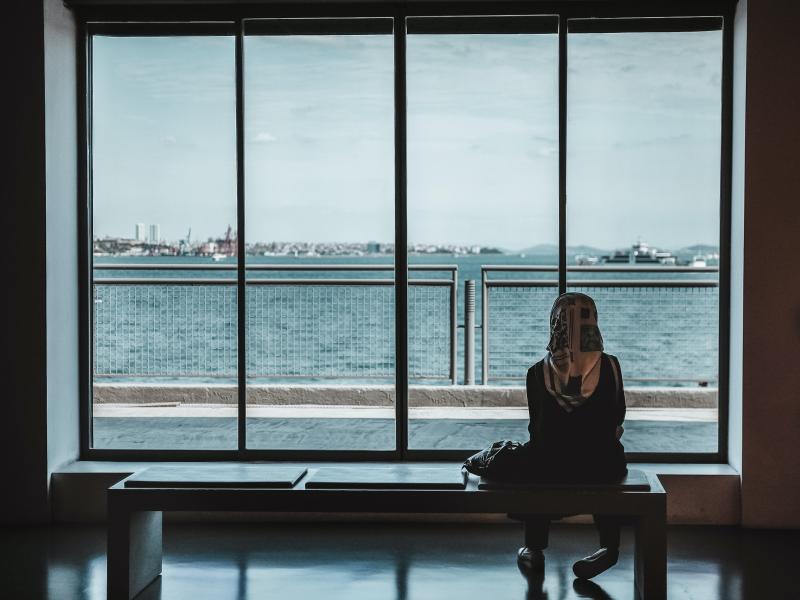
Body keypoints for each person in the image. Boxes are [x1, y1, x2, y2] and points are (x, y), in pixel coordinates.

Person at [515, 292, 627, 580]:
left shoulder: (536, 372)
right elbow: (618, 417)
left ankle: (534, 547)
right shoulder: (612, 366)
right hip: (601, 466)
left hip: (550, 467)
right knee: (609, 455)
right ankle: (609, 547)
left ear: (555, 324)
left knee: (535, 459)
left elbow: (535, 426)